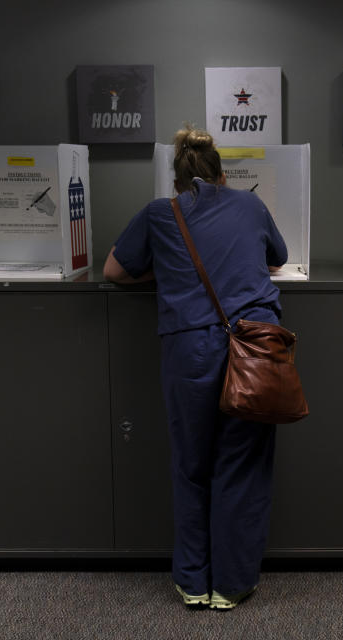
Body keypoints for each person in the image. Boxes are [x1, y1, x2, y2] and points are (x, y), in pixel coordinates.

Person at [103, 126, 288, 610]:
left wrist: (162, 270)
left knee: (191, 465)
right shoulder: (249, 205)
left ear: (177, 179)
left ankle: (193, 582)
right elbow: (279, 258)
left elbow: (114, 272)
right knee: (242, 463)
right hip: (252, 347)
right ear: (223, 175)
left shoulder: (159, 214)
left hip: (190, 349)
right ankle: (231, 584)